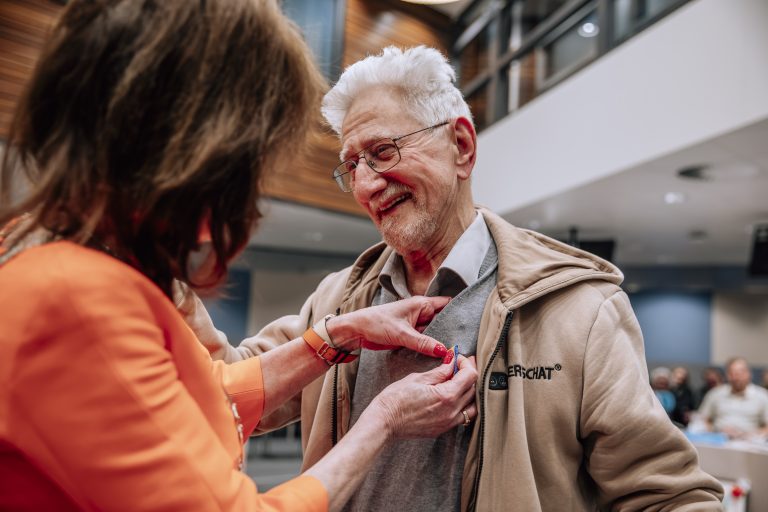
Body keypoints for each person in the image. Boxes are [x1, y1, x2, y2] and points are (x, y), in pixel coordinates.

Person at [188, 46, 723, 510]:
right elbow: (226, 389)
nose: (367, 184)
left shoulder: (578, 310)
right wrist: (154, 264)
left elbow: (669, 496)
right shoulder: (339, 298)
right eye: (351, 166)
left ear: (461, 147)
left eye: (382, 151)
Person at [0, 4, 479, 511]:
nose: (363, 185)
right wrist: (383, 420)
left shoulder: (80, 265)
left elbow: (209, 392)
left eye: (384, 152)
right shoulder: (76, 297)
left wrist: (338, 335)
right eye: (246, 163)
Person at [698, 357, 768, 440]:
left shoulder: (762, 396)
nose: (736, 377)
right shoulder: (715, 393)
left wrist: (751, 435)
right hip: (718, 441)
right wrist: (713, 430)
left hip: (749, 444)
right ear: (727, 375)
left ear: (749, 374)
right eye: (732, 373)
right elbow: (702, 419)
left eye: (740, 373)